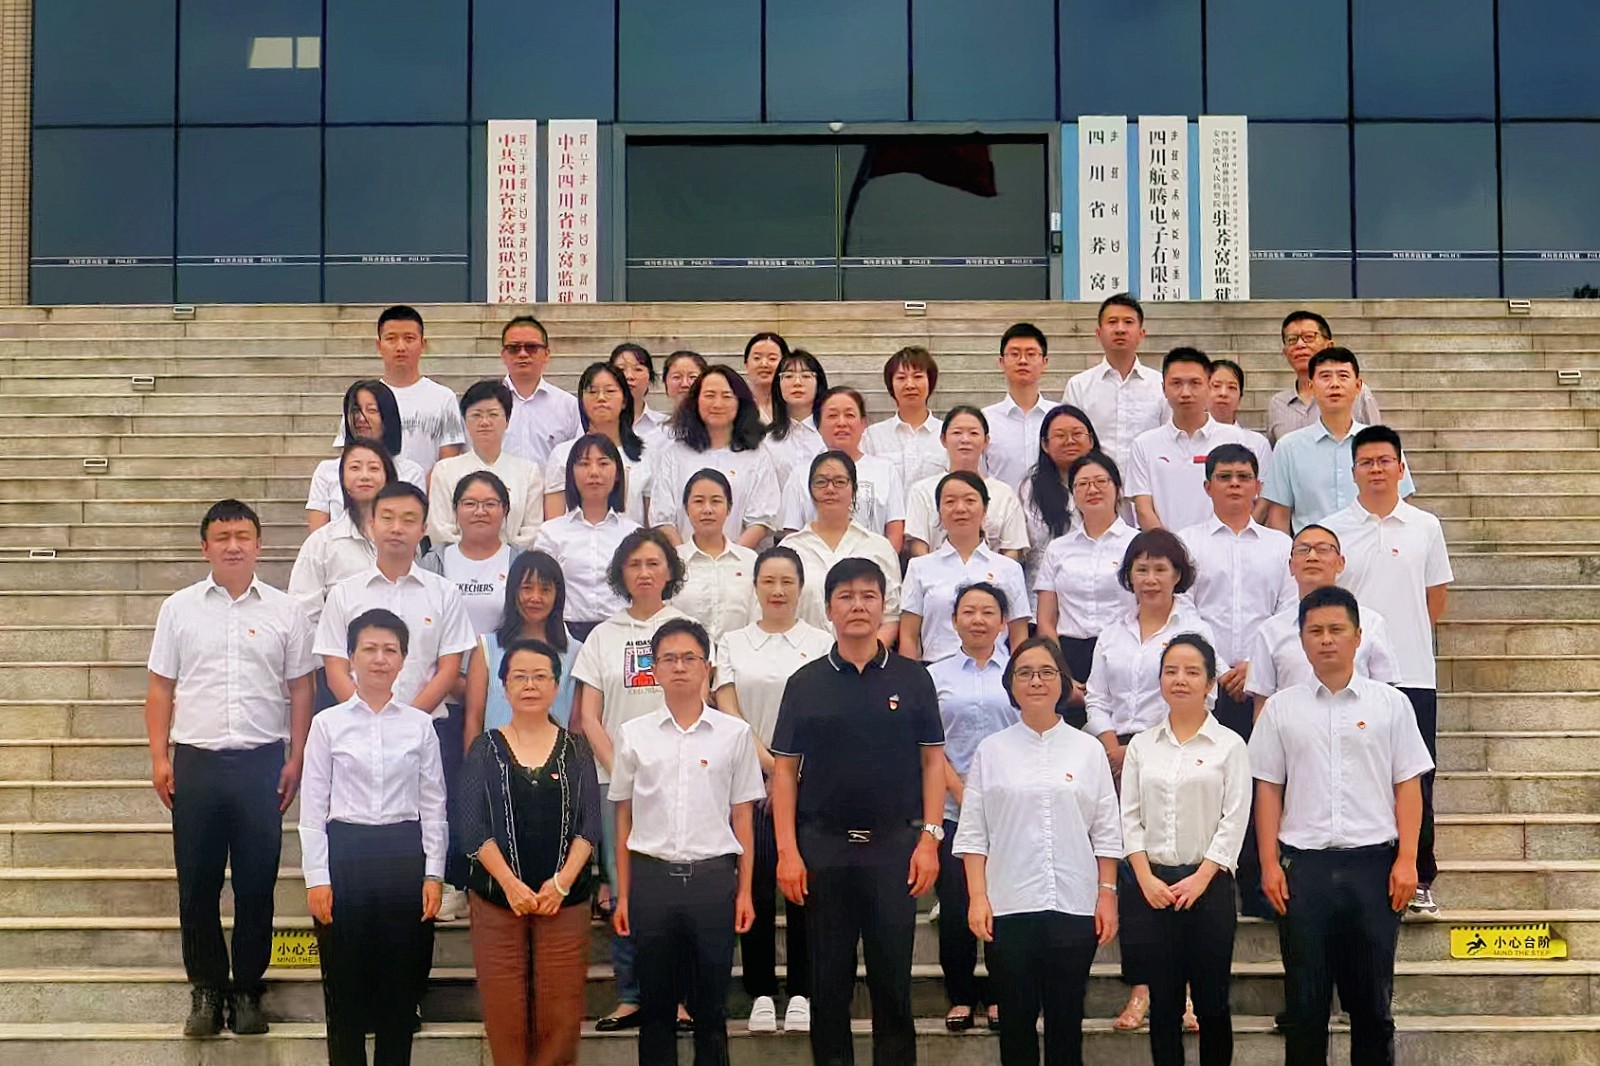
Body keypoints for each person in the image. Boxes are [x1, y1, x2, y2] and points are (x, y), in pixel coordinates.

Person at [144, 499, 315, 1037]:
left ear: (259, 545)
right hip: (196, 763)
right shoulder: (179, 609)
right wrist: (159, 756)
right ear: (205, 548)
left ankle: (246, 989)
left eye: (243, 536)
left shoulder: (286, 611)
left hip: (262, 764)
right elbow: (161, 687)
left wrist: (297, 756)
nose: (234, 546)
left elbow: (301, 688)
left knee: (256, 883)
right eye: (222, 537)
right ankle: (207, 988)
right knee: (196, 884)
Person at [770, 557, 946, 1066]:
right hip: (823, 851)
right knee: (827, 990)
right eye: (845, 596)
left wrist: (930, 838)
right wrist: (787, 852)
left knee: (893, 987)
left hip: (895, 850)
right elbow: (785, 772)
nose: (858, 606)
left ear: (883, 605)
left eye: (869, 595)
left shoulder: (914, 679)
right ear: (828, 609)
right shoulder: (805, 682)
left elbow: (933, 762)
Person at [1251, 585, 1433, 1066]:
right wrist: (1268, 864)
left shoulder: (1391, 704)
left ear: (1358, 636)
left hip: (1374, 869)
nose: (1326, 639)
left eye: (1336, 629)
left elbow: (1408, 786)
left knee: (1373, 1006)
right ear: (1302, 640)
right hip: (1303, 871)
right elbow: (1267, 789)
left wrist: (1408, 860)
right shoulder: (1281, 709)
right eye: (1315, 631)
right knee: (1305, 1006)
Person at [314, 482, 478, 922]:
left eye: (408, 520)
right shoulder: (346, 594)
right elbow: (334, 666)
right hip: (353, 730)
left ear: (423, 528)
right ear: (371, 523)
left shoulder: (442, 592)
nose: (396, 528)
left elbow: (449, 667)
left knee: (431, 812)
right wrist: (366, 715)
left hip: (429, 726)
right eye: (387, 518)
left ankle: (438, 885)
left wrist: (407, 719)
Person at [954, 637, 1121, 1066]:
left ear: (1062, 681)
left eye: (1047, 672)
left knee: (1067, 1023)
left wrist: (1107, 894)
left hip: (1074, 904)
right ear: (1011, 684)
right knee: (1016, 1024)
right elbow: (973, 833)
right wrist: (977, 896)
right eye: (1025, 673)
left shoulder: (1088, 750)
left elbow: (1106, 830)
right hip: (1009, 905)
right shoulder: (991, 751)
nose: (1036, 681)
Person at [610, 618, 764, 1066]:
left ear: (707, 668)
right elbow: (623, 816)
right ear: (654, 669)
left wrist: (745, 891)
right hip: (652, 880)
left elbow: (743, 817)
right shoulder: (633, 734)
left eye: (689, 658)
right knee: (656, 1009)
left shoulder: (734, 734)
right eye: (669, 659)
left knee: (711, 1009)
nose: (679, 667)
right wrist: (624, 894)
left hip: (712, 881)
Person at [1083, 528, 1218, 1031]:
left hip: (1177, 748)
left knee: (1174, 860)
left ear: (1177, 574)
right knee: (1132, 871)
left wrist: (1156, 745)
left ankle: (1185, 993)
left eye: (1160, 568)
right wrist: (1111, 745)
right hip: (1118, 756)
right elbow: (1095, 696)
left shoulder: (1195, 628)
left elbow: (1203, 692)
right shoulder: (1112, 632)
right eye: (1141, 568)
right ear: (1129, 576)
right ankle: (1141, 989)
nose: (1150, 578)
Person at [300, 609, 447, 1066]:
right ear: (350, 658)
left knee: (400, 991)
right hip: (346, 855)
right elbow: (312, 808)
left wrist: (433, 874)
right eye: (369, 649)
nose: (380, 659)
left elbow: (434, 805)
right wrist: (317, 878)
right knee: (343, 990)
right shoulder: (327, 724)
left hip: (403, 856)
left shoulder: (420, 725)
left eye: (390, 650)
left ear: (403, 660)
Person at [1323, 425, 1453, 916]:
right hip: (1350, 675)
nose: (1375, 469)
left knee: (1416, 775)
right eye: (1366, 462)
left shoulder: (1426, 526)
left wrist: (1403, 642)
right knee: (1353, 771)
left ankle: (1419, 874)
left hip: (1413, 673)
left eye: (1384, 461)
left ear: (1401, 468)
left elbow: (1434, 598)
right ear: (1353, 471)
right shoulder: (1333, 529)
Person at [570, 528, 693, 1031]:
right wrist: (623, 771)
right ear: (621, 573)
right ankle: (632, 994)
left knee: (675, 888)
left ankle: (678, 997)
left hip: (679, 777)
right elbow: (588, 716)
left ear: (669, 571)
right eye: (635, 564)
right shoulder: (603, 635)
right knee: (623, 887)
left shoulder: (687, 628)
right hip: (614, 781)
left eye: (654, 563)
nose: (644, 572)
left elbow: (698, 700)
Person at [458, 637, 600, 1066]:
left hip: (565, 901)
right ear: (503, 686)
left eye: (540, 676)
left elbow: (590, 825)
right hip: (497, 900)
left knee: (561, 1012)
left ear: (557, 686)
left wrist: (562, 883)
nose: (530, 685)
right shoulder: (484, 749)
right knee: (505, 1013)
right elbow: (471, 827)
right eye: (519, 677)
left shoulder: (577, 749)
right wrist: (510, 884)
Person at [713, 546, 834, 1034]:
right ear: (755, 587)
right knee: (756, 885)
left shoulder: (822, 642)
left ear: (801, 587)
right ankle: (761, 991)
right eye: (769, 581)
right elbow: (728, 710)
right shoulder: (733, 642)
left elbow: (827, 714)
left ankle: (803, 990)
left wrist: (792, 772)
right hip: (750, 784)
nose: (778, 591)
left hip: (811, 784)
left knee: (806, 888)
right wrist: (772, 767)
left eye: (787, 582)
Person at [1175, 443, 1294, 918]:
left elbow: (1288, 610)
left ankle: (1261, 883)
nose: (1234, 485)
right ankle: (1214, 886)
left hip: (1267, 687)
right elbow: (1186, 609)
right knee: (1212, 783)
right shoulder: (1188, 543)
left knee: (1264, 781)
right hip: (1210, 685)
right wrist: (1223, 666)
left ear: (1258, 486)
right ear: (1208, 486)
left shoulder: (1281, 546)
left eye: (1244, 477)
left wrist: (1255, 667)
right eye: (1224, 477)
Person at [1120, 634, 1250, 1066]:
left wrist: (1202, 877)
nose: (1180, 680)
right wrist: (1145, 878)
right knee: (1164, 1005)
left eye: (1192, 672)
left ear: (1210, 683)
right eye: (1171, 671)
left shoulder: (1230, 745)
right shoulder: (1141, 746)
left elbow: (1234, 819)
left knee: (1212, 1003)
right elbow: (1129, 817)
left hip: (1209, 887)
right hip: (1153, 888)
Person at [926, 583, 1019, 1031]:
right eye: (969, 611)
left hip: (1010, 808)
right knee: (956, 904)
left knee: (1005, 902)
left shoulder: (1021, 670)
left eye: (988, 612)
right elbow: (928, 744)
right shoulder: (935, 676)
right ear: (954, 620)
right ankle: (961, 995)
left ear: (1003, 622)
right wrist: (963, 792)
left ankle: (1002, 995)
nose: (978, 620)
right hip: (951, 806)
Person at [1245, 523, 1403, 712]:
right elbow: (1262, 705)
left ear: (1340, 563)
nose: (1312, 557)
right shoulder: (1271, 630)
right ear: (1291, 566)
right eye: (1303, 550)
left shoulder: (1371, 623)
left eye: (1323, 549)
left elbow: (1385, 696)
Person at [1263, 348, 1416, 535]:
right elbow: (1279, 516)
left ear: (1358, 386)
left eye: (1343, 376)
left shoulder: (1382, 443)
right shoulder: (1288, 447)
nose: (1334, 384)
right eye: (1325, 377)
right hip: (1314, 551)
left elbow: (1403, 504)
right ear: (1311, 386)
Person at [1033, 452, 1137, 707]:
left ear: (1118, 488)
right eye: (1082, 484)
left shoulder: (1138, 544)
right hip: (1069, 656)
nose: (1092, 490)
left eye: (1101, 482)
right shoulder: (1058, 549)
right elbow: (1046, 620)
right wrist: (1062, 675)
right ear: (1072, 493)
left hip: (1125, 652)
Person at [1127, 347, 1265, 533]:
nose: (1185, 392)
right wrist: (1170, 547)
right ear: (1163, 388)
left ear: (1208, 386)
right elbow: (1143, 509)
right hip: (1166, 547)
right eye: (1176, 383)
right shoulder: (1144, 444)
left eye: (1195, 383)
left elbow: (1251, 500)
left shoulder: (1236, 438)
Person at [899, 471, 1031, 664]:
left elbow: (1019, 637)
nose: (960, 508)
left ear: (984, 510)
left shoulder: (1009, 569)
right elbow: (908, 637)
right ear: (939, 512)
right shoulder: (919, 568)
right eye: (950, 502)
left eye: (970, 501)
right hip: (936, 670)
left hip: (996, 671)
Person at [650, 364, 780, 549]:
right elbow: (663, 518)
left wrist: (732, 557)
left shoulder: (757, 455)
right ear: (696, 401)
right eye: (709, 395)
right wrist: (683, 557)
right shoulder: (674, 454)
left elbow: (761, 520)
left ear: (740, 402)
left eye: (727, 396)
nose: (717, 404)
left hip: (742, 561)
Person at [780, 451, 902, 644]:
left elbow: (890, 618)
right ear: (810, 490)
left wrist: (865, 655)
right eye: (821, 482)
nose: (830, 489)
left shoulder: (878, 547)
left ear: (854, 489)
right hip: (803, 656)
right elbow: (778, 615)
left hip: (866, 657)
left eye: (839, 482)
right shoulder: (790, 549)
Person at [533, 433, 642, 641]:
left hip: (622, 634)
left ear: (618, 474)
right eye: (584, 464)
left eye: (603, 463)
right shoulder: (550, 533)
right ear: (571, 474)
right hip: (565, 636)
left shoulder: (633, 533)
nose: (594, 472)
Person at [332, 306, 464, 476]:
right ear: (379, 345)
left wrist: (416, 489)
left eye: (409, 338)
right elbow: (348, 455)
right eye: (391, 339)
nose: (400, 347)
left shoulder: (443, 398)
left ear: (423, 345)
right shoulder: (362, 399)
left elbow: (448, 463)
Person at [779, 386, 907, 551]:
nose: (841, 423)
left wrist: (882, 562)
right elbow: (792, 534)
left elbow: (895, 531)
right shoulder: (800, 474)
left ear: (863, 423)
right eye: (832, 416)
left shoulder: (885, 470)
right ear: (818, 424)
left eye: (849, 415)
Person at [471, 550, 581, 733]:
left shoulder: (575, 652)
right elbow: (474, 718)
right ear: (513, 592)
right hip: (495, 751)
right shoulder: (487, 648)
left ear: (557, 596)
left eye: (545, 590)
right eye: (527, 588)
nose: (535, 597)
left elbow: (577, 722)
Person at [428, 379, 544, 549]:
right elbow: (440, 529)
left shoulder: (528, 472)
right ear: (465, 422)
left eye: (493, 415)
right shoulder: (445, 470)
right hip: (456, 560)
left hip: (512, 561)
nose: (484, 422)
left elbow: (532, 531)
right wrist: (472, 553)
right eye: (476, 415)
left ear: (507, 420)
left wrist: (501, 553)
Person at [904, 406, 1028, 560]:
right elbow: (918, 545)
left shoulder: (1004, 494)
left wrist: (995, 572)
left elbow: (1013, 548)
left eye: (973, 433)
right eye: (957, 433)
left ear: (986, 441)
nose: (965, 440)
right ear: (943, 439)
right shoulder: (922, 490)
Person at [1061, 293, 1168, 471]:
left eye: (1128, 322)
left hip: (1149, 483)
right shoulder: (1079, 386)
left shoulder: (1160, 385)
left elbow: (1169, 438)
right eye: (1112, 322)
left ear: (1141, 334)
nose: (1120, 329)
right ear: (1098, 334)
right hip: (1094, 484)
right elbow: (1070, 441)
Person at [289, 440, 390, 628]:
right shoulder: (322, 542)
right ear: (342, 479)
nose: (364, 476)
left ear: (387, 477)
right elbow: (303, 613)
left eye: (374, 468)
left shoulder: (404, 539)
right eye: (355, 468)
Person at [307, 380, 425, 530]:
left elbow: (412, 527)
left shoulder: (411, 472)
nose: (361, 418)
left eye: (372, 410)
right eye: (356, 410)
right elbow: (317, 533)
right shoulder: (326, 471)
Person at [543, 361, 650, 524]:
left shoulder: (645, 454)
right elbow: (553, 522)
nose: (601, 398)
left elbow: (652, 522)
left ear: (624, 401)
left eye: (610, 391)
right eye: (592, 392)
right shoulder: (562, 454)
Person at [423, 471, 517, 638]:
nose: (480, 512)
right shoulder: (434, 561)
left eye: (490, 504)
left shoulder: (519, 561)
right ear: (455, 509)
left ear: (505, 510)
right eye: (469, 503)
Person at [1018, 404, 1102, 591]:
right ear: (1045, 445)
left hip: (1099, 586)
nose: (1069, 441)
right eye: (1060, 435)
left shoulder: (1107, 482)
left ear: (1090, 440)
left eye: (1077, 434)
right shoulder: (1030, 488)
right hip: (1044, 589)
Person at [1265, 311, 1380, 445]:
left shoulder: (1357, 393)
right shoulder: (1278, 404)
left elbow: (1379, 444)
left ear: (1329, 346)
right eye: (1292, 339)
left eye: (1309, 337)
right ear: (1285, 352)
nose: (1300, 345)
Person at [673, 468, 760, 643]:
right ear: (686, 508)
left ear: (729, 508)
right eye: (698, 501)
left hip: (739, 654)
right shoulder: (672, 561)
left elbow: (758, 618)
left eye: (716, 501)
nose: (707, 509)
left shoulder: (750, 561)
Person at [499, 314, 581, 466]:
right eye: (514, 348)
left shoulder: (568, 406)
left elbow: (577, 459)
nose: (522, 354)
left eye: (531, 347)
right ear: (503, 355)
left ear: (546, 354)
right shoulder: (485, 404)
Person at [862, 345, 948, 488]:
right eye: (901, 378)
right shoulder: (872, 437)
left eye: (918, 377)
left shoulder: (947, 435)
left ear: (930, 382)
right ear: (891, 385)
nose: (910, 385)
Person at [982, 323, 1055, 486]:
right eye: (1014, 354)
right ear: (1001, 362)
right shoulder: (985, 420)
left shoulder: (1060, 417)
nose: (1023, 360)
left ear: (1044, 362)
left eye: (1031, 354)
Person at [761, 349, 829, 491]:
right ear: (778, 385)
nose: (797, 382)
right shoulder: (766, 440)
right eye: (788, 376)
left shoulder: (831, 434)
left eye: (806, 375)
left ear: (819, 383)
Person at [1207, 359, 1273, 477]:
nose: (1223, 393)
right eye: (1216, 386)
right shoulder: (1191, 440)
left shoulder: (1257, 443)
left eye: (1232, 387)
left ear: (1240, 399)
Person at [611, 341, 673, 444]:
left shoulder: (666, 426)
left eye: (638, 369)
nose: (629, 376)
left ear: (650, 377)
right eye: (621, 369)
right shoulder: (595, 424)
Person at [743, 330, 788, 423]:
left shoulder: (794, 406)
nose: (764, 364)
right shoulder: (737, 405)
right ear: (746, 365)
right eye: (757, 358)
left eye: (772, 358)